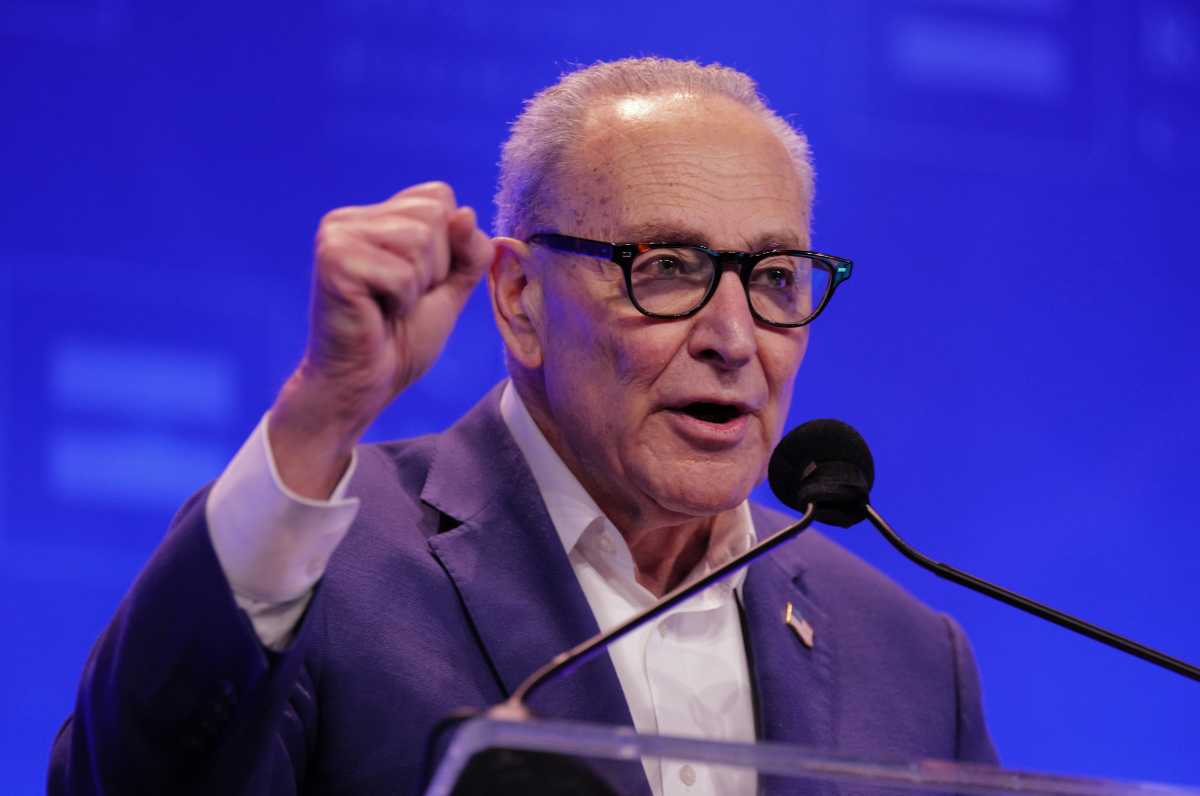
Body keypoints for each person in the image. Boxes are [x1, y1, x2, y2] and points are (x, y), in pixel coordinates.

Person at [49, 57, 996, 795]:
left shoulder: (909, 657)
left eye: (775, 277)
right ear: (518, 299)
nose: (734, 337)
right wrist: (321, 412)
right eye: (666, 266)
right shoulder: (328, 566)